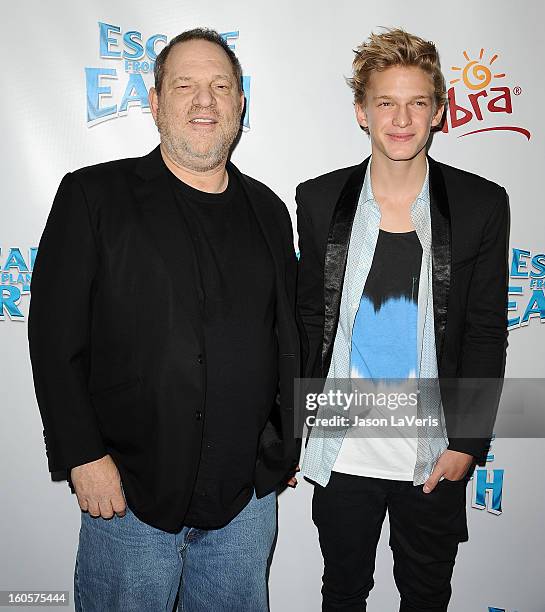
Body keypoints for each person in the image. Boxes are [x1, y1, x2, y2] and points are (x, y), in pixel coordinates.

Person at [29, 28, 299, 612]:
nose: (205, 101)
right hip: (129, 498)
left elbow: (285, 338)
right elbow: (54, 341)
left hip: (243, 509)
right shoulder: (93, 196)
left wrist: (285, 444)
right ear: (155, 103)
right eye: (185, 86)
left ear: (240, 104)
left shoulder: (270, 210)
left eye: (220, 87)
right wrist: (82, 455)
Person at [296, 28, 509, 611]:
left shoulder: (481, 205)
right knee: (342, 592)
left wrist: (468, 442)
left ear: (439, 111)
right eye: (385, 102)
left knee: (426, 594)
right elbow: (308, 321)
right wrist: (287, 431)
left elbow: (486, 330)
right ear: (361, 112)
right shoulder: (318, 201)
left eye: (417, 102)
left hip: (434, 449)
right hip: (343, 448)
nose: (401, 118)